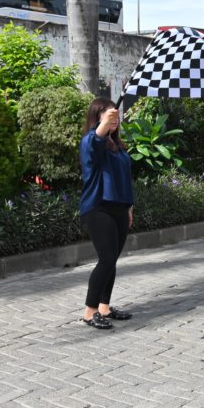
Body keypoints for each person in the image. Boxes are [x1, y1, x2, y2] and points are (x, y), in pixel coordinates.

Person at [79, 97, 135, 329]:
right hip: (99, 207)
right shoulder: (90, 142)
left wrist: (129, 208)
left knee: (112, 261)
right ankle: (89, 311)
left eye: (115, 114)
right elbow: (94, 141)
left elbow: (126, 180)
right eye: (107, 113)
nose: (114, 117)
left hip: (120, 208)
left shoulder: (119, 147)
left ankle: (104, 307)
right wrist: (104, 125)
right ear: (97, 117)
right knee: (106, 259)